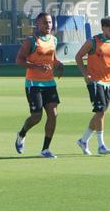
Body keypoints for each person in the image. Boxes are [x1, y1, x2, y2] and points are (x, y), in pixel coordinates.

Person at [14, 13, 63, 159]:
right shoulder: (31, 41)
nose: (48, 25)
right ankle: (22, 133)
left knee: (53, 114)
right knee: (36, 116)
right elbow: (19, 60)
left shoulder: (54, 39)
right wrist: (36, 67)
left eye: (49, 22)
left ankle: (45, 149)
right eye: (44, 23)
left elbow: (52, 58)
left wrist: (58, 64)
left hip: (50, 83)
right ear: (38, 24)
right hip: (33, 83)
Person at [75, 16, 110, 156]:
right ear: (103, 28)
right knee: (101, 112)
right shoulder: (93, 42)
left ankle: (83, 140)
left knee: (100, 113)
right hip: (95, 81)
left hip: (108, 82)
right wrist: (85, 74)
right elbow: (78, 56)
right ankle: (101, 145)